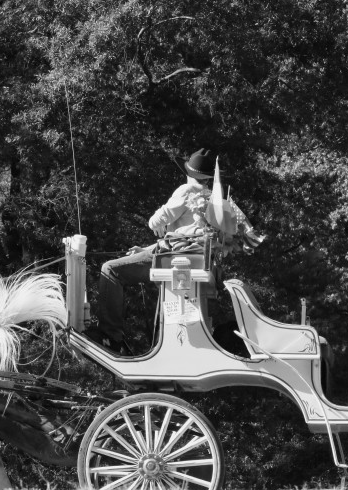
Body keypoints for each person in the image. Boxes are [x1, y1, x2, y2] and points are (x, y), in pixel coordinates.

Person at [86, 148, 250, 354]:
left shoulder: (186, 191)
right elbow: (186, 235)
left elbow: (155, 222)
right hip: (198, 259)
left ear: (189, 173)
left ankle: (110, 336)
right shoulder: (215, 200)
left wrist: (158, 227)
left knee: (110, 269)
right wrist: (145, 249)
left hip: (175, 258)